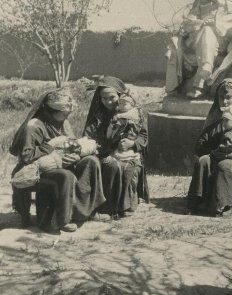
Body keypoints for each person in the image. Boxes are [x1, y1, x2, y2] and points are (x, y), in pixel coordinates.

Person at [10, 88, 105, 233]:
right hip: (40, 168)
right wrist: (51, 145)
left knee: (91, 161)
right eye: (65, 112)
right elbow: (26, 156)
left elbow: (71, 143)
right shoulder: (34, 126)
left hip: (62, 162)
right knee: (65, 175)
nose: (68, 114)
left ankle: (84, 212)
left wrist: (76, 155)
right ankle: (61, 219)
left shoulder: (63, 122)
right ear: (51, 111)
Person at [187, 79, 232, 216]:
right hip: (215, 155)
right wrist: (213, 152)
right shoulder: (213, 118)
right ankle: (198, 200)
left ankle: (225, 205)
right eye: (221, 97)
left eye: (228, 97)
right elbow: (200, 145)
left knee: (224, 165)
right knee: (203, 161)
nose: (224, 101)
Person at [84, 76, 149, 219]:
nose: (108, 102)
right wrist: (106, 148)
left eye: (112, 97)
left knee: (127, 166)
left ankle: (124, 206)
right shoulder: (98, 115)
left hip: (127, 152)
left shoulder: (133, 113)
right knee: (112, 165)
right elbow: (89, 137)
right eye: (104, 98)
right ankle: (108, 207)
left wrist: (132, 143)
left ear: (120, 95)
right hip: (102, 153)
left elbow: (143, 135)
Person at [107, 94, 142, 164]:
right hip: (120, 133)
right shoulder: (119, 112)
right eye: (120, 104)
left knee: (128, 139)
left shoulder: (133, 112)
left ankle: (129, 154)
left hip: (130, 132)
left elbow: (130, 117)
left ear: (131, 105)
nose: (121, 106)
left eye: (124, 104)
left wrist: (119, 116)